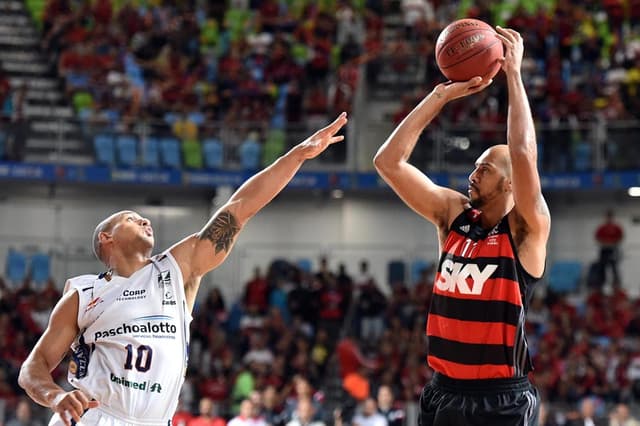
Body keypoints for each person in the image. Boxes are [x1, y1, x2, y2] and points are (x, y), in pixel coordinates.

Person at [17, 113, 348, 426]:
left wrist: (297, 156)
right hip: (94, 416)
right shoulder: (84, 293)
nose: (144, 219)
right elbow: (33, 367)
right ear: (107, 238)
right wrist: (55, 396)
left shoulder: (177, 268)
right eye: (131, 218)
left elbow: (239, 209)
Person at [373, 26, 550, 426]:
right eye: (473, 167)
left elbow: (522, 152)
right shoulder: (453, 215)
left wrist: (514, 75)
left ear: (508, 183)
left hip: (500, 399)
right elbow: (388, 163)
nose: (472, 174)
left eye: (483, 169)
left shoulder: (525, 229)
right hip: (443, 391)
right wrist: (440, 96)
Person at [594, 209, 623, 287]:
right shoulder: (602, 227)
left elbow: (620, 237)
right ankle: (601, 282)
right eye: (607, 217)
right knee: (602, 266)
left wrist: (613, 242)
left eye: (610, 217)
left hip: (613, 249)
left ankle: (616, 283)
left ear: (612, 217)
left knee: (614, 266)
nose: (609, 219)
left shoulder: (616, 227)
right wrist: (605, 243)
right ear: (605, 217)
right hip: (604, 249)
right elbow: (597, 237)